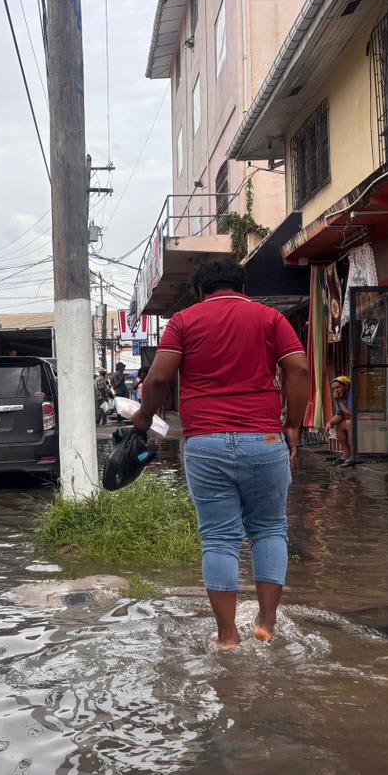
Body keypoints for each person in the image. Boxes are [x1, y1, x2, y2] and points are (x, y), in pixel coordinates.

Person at [132, 259, 310, 648]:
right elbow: (298, 369)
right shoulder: (270, 318)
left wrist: (143, 419)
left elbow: (160, 377)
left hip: (205, 442)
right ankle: (266, 620)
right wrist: (293, 426)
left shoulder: (183, 322)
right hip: (264, 439)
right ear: (242, 286)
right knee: (270, 528)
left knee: (218, 538)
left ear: (200, 291)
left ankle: (227, 636)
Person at [327, 376, 353, 466]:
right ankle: (346, 454)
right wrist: (330, 422)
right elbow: (340, 415)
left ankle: (353, 455)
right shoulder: (341, 397)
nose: (336, 390)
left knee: (349, 423)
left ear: (345, 386)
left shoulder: (351, 394)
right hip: (353, 419)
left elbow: (350, 415)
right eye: (334, 389)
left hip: (367, 418)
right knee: (338, 425)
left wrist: (340, 401)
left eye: (338, 387)